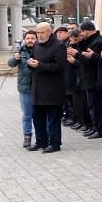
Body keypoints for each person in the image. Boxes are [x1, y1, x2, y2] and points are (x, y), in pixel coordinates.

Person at [27, 21, 68, 153]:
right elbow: (33, 59)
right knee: (37, 117)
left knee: (53, 119)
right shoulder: (37, 44)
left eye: (42, 32)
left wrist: (39, 65)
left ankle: (55, 143)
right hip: (37, 88)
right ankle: (41, 141)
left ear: (50, 32)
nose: (39, 35)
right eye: (37, 32)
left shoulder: (59, 46)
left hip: (53, 89)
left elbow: (59, 66)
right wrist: (30, 63)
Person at [7, 30, 37, 147]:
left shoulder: (40, 50)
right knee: (27, 114)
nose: (30, 40)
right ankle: (27, 135)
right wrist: (15, 58)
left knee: (40, 114)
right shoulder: (20, 50)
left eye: (32, 38)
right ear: (25, 40)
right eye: (28, 38)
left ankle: (44, 136)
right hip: (25, 87)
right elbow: (10, 63)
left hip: (39, 87)